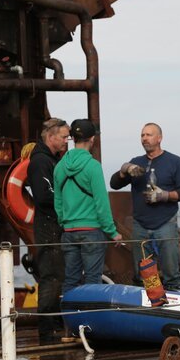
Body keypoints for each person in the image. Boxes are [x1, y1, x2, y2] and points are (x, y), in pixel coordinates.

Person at [110, 122, 180, 290]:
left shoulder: (175, 162)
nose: (145, 138)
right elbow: (114, 184)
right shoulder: (136, 162)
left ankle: (177, 302)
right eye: (142, 135)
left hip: (165, 223)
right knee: (144, 275)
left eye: (149, 135)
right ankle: (152, 303)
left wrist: (165, 195)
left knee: (171, 273)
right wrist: (124, 169)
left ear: (159, 138)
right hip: (140, 225)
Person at [54, 119, 122, 296]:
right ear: (92, 139)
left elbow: (58, 200)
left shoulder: (60, 166)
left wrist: (64, 221)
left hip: (69, 231)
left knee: (71, 279)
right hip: (91, 230)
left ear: (72, 139)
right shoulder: (93, 166)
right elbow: (101, 203)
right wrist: (112, 232)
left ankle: (69, 320)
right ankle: (91, 321)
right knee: (93, 279)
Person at [27, 118, 69, 345]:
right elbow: (43, 197)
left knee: (57, 278)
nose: (66, 141)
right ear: (51, 137)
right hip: (48, 228)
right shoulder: (41, 162)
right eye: (63, 137)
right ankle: (46, 332)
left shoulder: (51, 160)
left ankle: (55, 327)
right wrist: (67, 201)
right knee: (51, 279)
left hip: (53, 227)